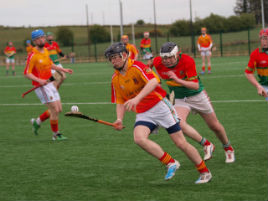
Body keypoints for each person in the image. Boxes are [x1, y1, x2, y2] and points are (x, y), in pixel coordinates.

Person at [105, 42, 212, 184]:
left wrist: (137, 98)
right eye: (111, 58)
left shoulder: (137, 66)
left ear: (124, 55)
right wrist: (119, 119)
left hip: (161, 106)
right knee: (139, 139)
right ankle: (171, 162)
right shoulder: (115, 79)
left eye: (115, 57)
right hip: (144, 112)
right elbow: (120, 101)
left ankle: (205, 172)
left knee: (180, 143)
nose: (113, 61)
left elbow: (154, 82)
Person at [150, 42, 235, 163]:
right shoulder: (158, 61)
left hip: (196, 96)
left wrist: (177, 79)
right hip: (178, 98)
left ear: (177, 54)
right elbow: (148, 66)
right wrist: (152, 79)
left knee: (214, 126)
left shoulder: (187, 61)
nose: (167, 60)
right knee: (178, 123)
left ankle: (228, 148)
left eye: (170, 57)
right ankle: (206, 144)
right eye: (165, 57)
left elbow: (195, 85)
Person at [24, 29, 73, 141]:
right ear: (34, 41)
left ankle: (37, 122)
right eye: (38, 38)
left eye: (42, 37)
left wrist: (63, 69)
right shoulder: (32, 55)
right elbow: (26, 73)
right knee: (54, 110)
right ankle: (56, 135)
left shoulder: (45, 50)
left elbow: (50, 64)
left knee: (58, 109)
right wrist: (39, 80)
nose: (41, 39)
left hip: (50, 83)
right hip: (41, 86)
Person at [245, 27, 268, 100]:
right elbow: (248, 73)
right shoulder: (255, 54)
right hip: (266, 87)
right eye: (262, 38)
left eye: (266, 38)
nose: (264, 41)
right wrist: (258, 86)